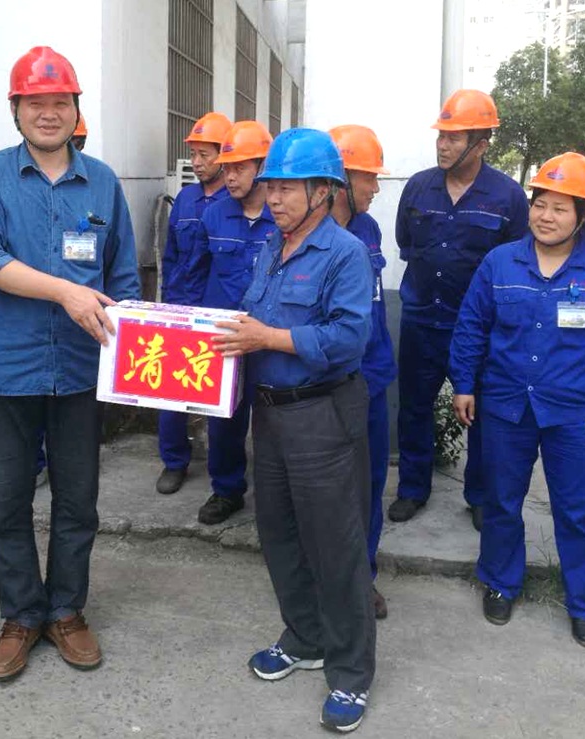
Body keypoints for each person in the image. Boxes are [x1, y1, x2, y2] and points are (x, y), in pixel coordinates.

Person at [0, 46, 140, 681]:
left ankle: (65, 610)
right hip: (5, 370)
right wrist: (65, 291)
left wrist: (145, 353)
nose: (48, 112)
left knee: (79, 501)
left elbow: (123, 280)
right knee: (7, 502)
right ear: (15, 109)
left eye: (60, 101)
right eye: (35, 102)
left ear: (75, 109)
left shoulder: (104, 183)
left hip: (80, 372)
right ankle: (21, 616)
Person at [212, 128, 375, 733]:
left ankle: (351, 672)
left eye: (285, 188)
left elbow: (348, 338)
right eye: (270, 187)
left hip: (322, 415)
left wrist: (267, 337)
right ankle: (304, 637)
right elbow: (252, 319)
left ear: (322, 192)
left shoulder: (345, 254)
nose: (272, 198)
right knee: (279, 535)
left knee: (335, 548)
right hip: (271, 414)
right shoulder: (271, 247)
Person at [450, 152, 585, 649]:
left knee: (579, 509)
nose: (546, 216)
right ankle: (500, 582)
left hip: (575, 410)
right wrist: (465, 384)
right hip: (505, 404)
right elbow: (472, 325)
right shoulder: (500, 263)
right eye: (540, 204)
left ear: (583, 214)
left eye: (560, 208)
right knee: (500, 500)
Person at [390, 89, 529, 529]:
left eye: (454, 138)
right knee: (414, 406)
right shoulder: (418, 187)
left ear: (481, 144)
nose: (443, 145)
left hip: (478, 329)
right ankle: (413, 488)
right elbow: (406, 243)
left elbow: (515, 264)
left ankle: (480, 496)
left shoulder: (508, 197)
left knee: (481, 411)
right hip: (421, 319)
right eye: (441, 136)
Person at [183, 121, 275, 524]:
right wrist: (189, 325)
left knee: (273, 422)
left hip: (269, 340)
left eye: (240, 167)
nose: (230, 176)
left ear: (262, 167)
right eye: (227, 167)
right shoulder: (214, 215)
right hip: (222, 339)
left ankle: (274, 495)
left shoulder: (283, 216)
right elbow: (194, 273)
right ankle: (226, 490)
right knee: (223, 419)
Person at [329, 124, 397, 619]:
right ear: (338, 180)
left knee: (369, 487)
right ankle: (321, 578)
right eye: (368, 177)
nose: (375, 187)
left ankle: (362, 576)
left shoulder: (368, 228)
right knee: (323, 490)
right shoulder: (298, 235)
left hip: (371, 379)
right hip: (326, 388)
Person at [156, 111, 232, 496]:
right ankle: (174, 461)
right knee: (171, 392)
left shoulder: (234, 201)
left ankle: (224, 473)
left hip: (216, 312)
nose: (197, 163)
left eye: (205, 155)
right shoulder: (185, 199)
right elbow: (171, 254)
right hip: (180, 306)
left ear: (225, 156)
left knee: (219, 398)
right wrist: (168, 299)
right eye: (194, 154)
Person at [36, 113, 89, 490]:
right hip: (26, 343)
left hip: (79, 350)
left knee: (76, 486)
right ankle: (35, 464)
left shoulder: (98, 184)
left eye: (80, 142)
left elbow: (119, 270)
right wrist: (62, 292)